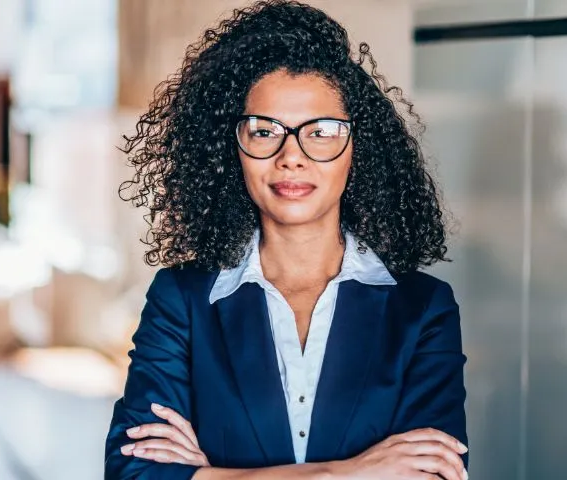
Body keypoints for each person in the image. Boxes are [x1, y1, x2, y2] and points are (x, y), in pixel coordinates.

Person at [105, 1, 468, 479]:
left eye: (320, 132)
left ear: (356, 150)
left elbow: (435, 474)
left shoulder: (423, 310)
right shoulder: (182, 299)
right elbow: (133, 474)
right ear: (229, 147)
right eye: (264, 131)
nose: (290, 156)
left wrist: (210, 474)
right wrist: (351, 472)